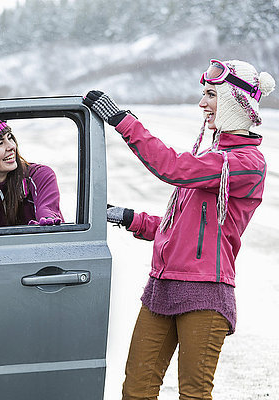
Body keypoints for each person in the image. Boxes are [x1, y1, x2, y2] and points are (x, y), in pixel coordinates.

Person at [83, 59, 275, 399]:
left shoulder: (245, 164)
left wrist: (124, 121)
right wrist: (131, 218)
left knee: (193, 393)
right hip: (163, 287)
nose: (202, 103)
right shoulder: (213, 157)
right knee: (137, 390)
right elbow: (179, 227)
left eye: (211, 95)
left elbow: (172, 167)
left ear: (234, 101)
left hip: (205, 293)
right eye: (204, 94)